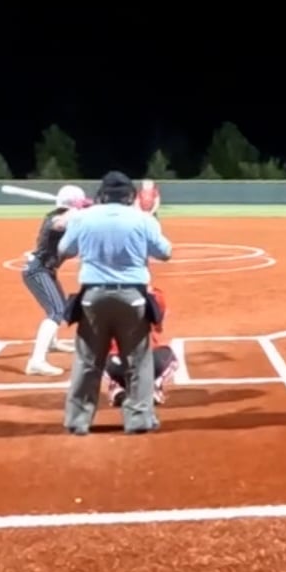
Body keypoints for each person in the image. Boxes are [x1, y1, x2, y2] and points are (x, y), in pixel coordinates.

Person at [57, 170, 172, 435]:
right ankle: (139, 420)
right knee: (138, 361)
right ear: (130, 196)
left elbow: (65, 250)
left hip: (93, 298)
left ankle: (77, 420)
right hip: (133, 298)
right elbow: (165, 252)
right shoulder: (143, 219)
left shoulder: (84, 218)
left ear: (101, 195)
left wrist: (78, 222)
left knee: (87, 361)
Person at [20, 184, 90, 377]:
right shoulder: (56, 218)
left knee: (60, 307)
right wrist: (79, 210)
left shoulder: (70, 217)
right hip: (37, 270)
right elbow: (60, 224)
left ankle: (51, 343)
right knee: (56, 311)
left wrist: (84, 210)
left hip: (47, 270)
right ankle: (36, 362)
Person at [102, 284, 180, 407]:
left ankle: (117, 387)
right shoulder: (154, 295)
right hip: (149, 364)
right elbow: (159, 327)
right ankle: (154, 386)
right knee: (170, 357)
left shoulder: (103, 296)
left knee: (98, 354)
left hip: (115, 365)